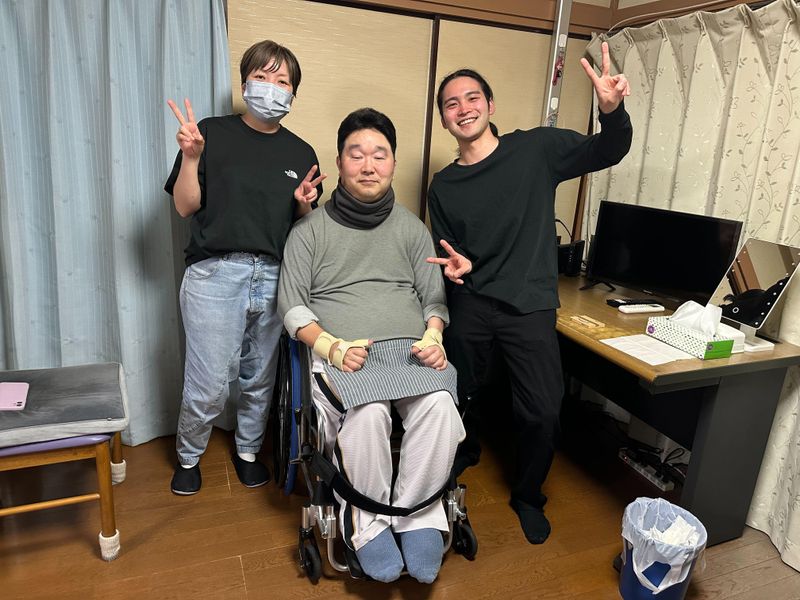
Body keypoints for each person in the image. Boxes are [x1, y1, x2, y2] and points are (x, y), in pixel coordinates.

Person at [427, 41, 633, 544]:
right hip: (472, 301)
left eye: (472, 98)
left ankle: (527, 495)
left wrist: (612, 111)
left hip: (530, 303)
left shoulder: (536, 149)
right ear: (444, 120)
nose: (463, 108)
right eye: (451, 104)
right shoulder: (443, 186)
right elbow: (451, 252)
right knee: (458, 392)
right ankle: (465, 450)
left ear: (490, 106)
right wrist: (459, 266)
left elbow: (608, 150)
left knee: (541, 410)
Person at [278, 108, 464, 584]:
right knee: (368, 414)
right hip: (345, 353)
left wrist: (434, 336)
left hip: (409, 352)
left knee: (441, 408)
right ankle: (369, 524)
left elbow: (434, 299)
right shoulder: (308, 231)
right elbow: (292, 307)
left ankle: (419, 517)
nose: (368, 165)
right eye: (356, 154)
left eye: (379, 155)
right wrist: (331, 347)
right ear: (339, 162)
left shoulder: (412, 229)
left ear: (393, 164)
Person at [164, 40, 325, 496]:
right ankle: (189, 455)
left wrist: (303, 206)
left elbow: (304, 232)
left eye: (282, 81)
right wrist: (191, 157)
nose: (271, 87)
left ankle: (249, 450)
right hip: (216, 274)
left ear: (293, 94)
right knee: (208, 382)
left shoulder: (301, 152)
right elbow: (184, 207)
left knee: (260, 377)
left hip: (275, 276)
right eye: (262, 76)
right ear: (245, 82)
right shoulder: (210, 133)